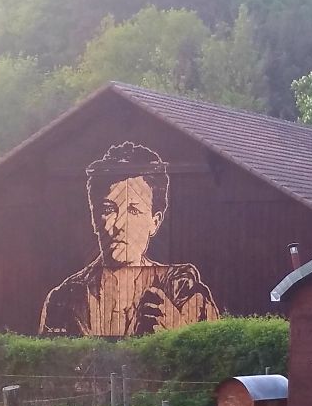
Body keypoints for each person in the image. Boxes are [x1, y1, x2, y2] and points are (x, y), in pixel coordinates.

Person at [39, 142, 220, 337]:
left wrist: (177, 329)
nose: (119, 224)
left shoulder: (182, 290)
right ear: (94, 218)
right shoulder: (64, 298)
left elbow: (215, 353)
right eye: (108, 210)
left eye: (134, 210)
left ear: (155, 221)